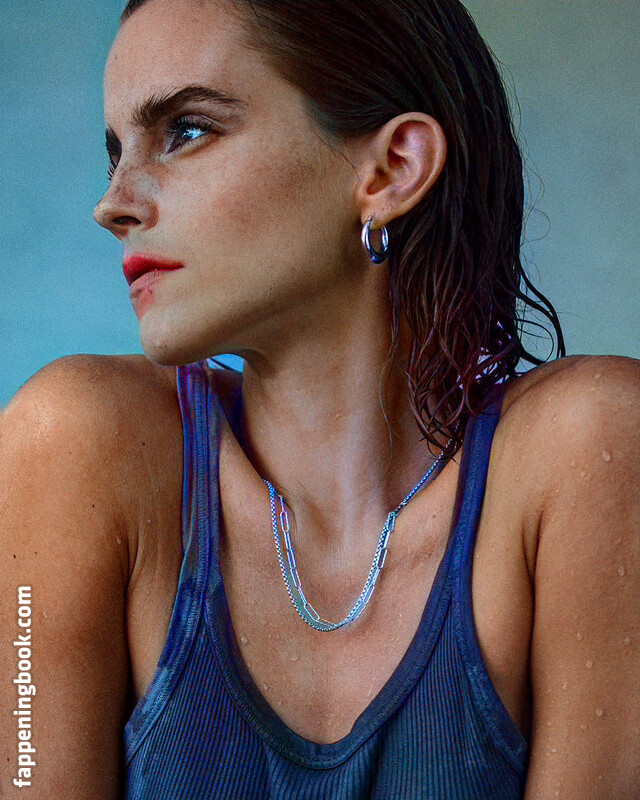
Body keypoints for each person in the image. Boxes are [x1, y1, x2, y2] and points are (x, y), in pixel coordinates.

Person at [1, 0, 638, 797]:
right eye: (115, 154)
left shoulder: (587, 449)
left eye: (187, 130)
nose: (113, 204)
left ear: (390, 170)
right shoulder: (77, 444)